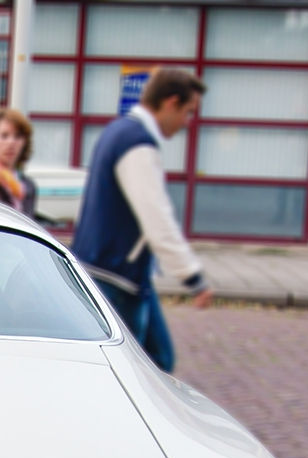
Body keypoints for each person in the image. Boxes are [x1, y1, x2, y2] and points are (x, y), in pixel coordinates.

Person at [70, 67, 213, 373]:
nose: (187, 123)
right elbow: (157, 217)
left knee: (156, 363)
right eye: (188, 112)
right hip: (116, 275)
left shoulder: (117, 131)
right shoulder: (137, 144)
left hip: (111, 270)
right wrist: (191, 276)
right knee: (142, 372)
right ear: (170, 102)